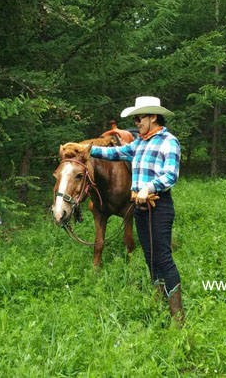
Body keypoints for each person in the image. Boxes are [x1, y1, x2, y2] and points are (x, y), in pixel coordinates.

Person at [90, 96, 184, 324]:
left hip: (158, 206)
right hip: (140, 208)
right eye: (135, 118)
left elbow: (171, 175)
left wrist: (148, 187)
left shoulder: (169, 142)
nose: (136, 122)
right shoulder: (140, 142)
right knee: (150, 256)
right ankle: (159, 300)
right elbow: (114, 154)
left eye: (139, 117)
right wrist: (86, 150)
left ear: (153, 117)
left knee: (163, 257)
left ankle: (178, 317)